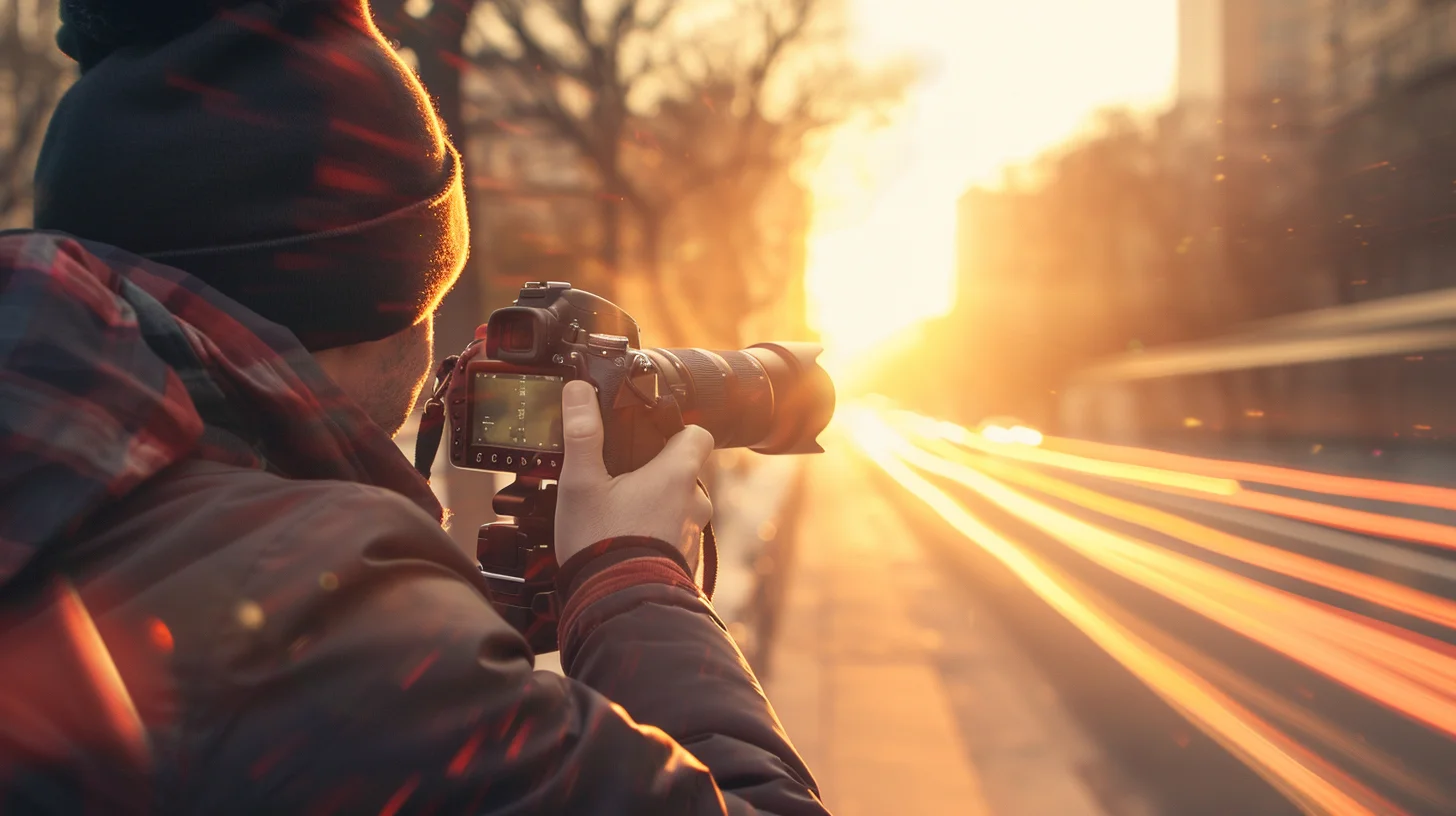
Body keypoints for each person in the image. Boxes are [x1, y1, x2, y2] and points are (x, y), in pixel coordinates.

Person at [0, 0, 827, 813]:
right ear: (371, 310)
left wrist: (452, 606)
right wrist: (634, 581)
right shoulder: (324, 641)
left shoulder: (62, 486)